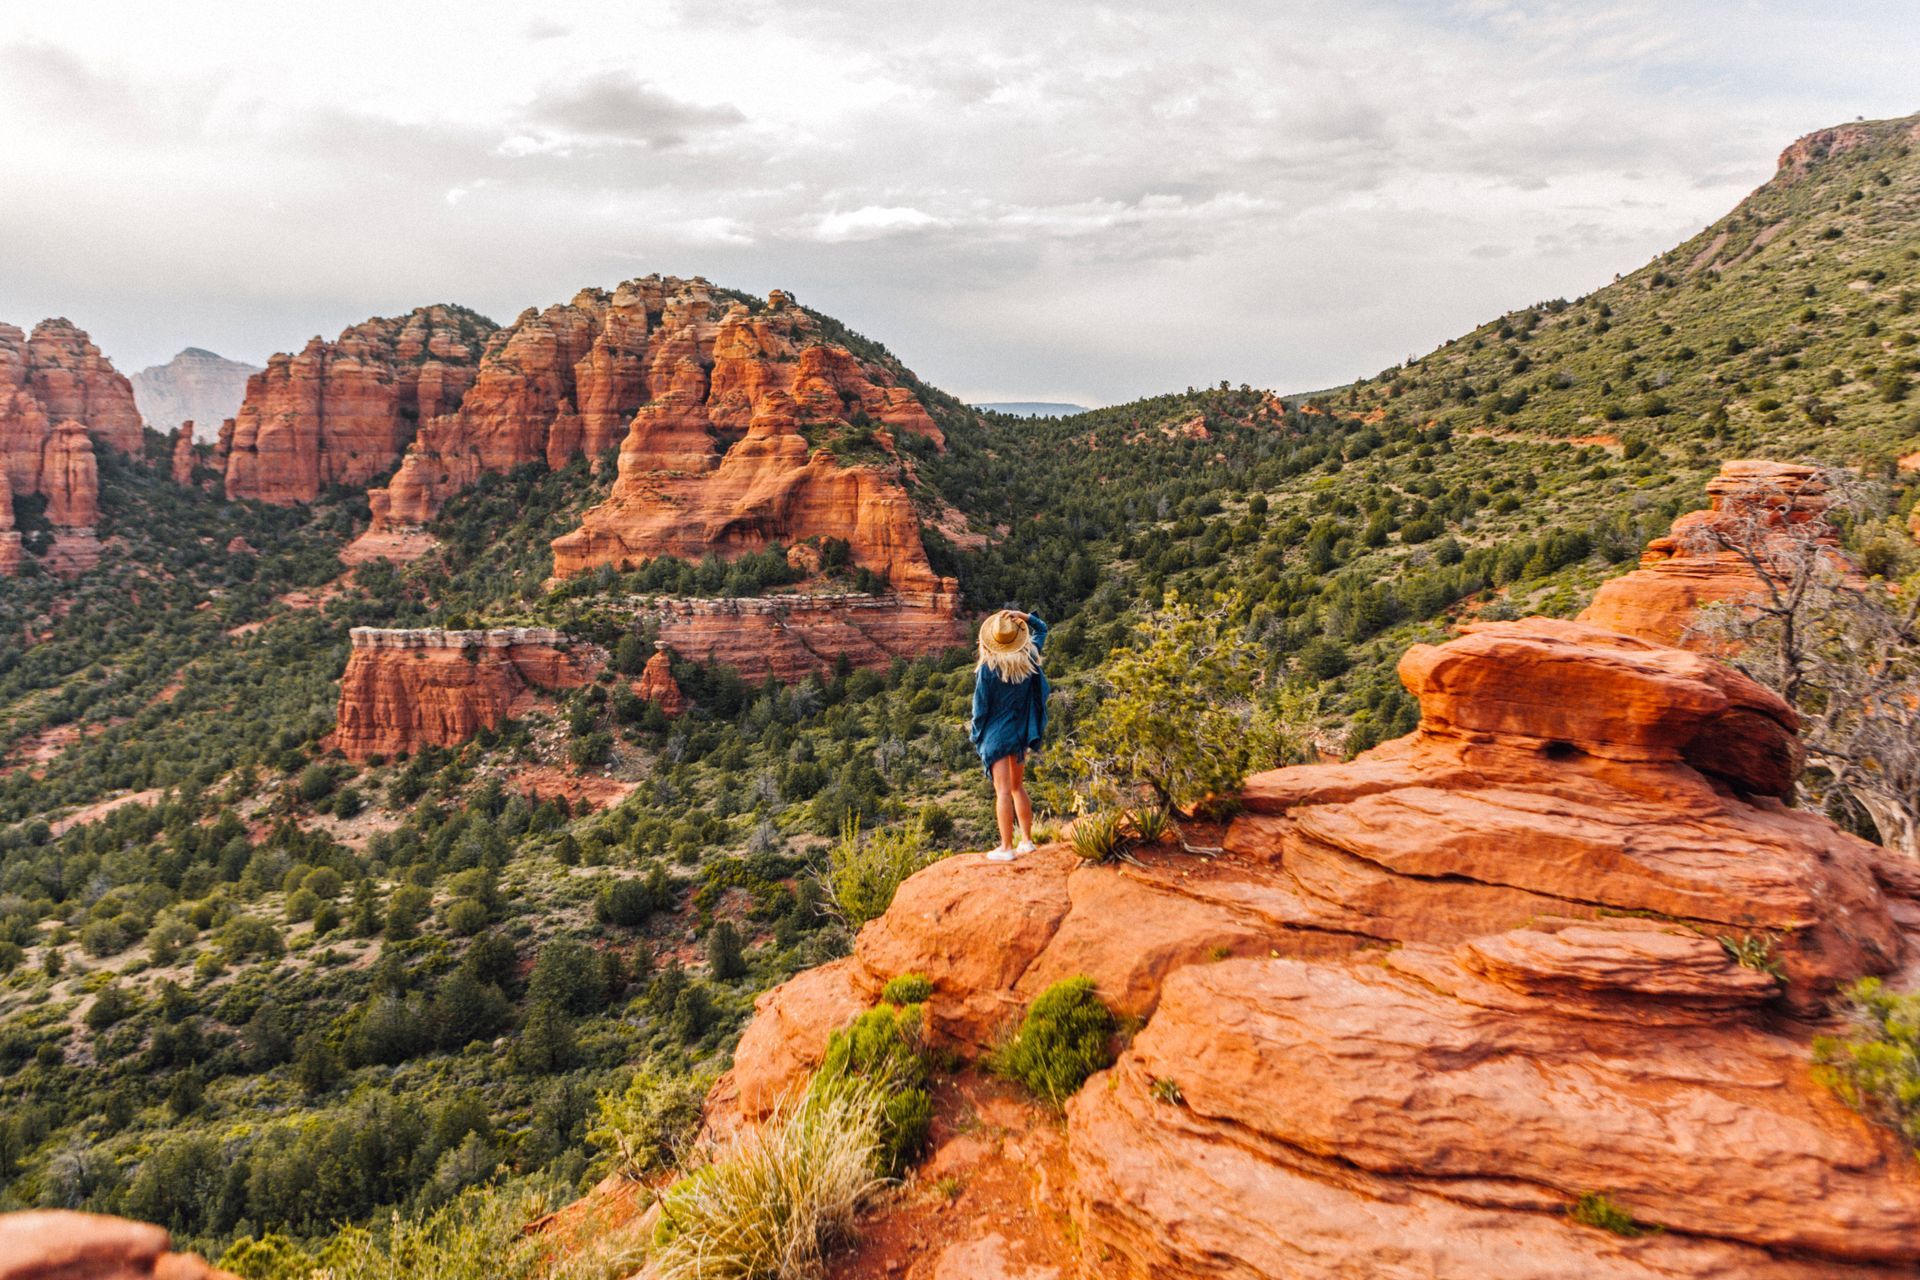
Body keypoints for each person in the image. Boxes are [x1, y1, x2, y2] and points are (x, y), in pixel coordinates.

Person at [969, 608, 1050, 861]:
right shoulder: (1029, 656)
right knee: (1017, 787)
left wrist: (976, 735)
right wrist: (1023, 616)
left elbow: (979, 709)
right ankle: (1027, 841)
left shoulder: (988, 668)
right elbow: (1043, 628)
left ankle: (1006, 847)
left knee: (1002, 791)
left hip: (996, 735)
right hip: (1019, 732)